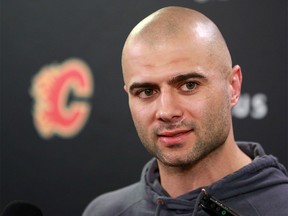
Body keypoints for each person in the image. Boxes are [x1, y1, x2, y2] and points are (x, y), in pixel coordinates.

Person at [83, 6, 288, 216]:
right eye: (146, 91)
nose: (166, 111)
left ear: (233, 86)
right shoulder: (103, 212)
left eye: (189, 85)